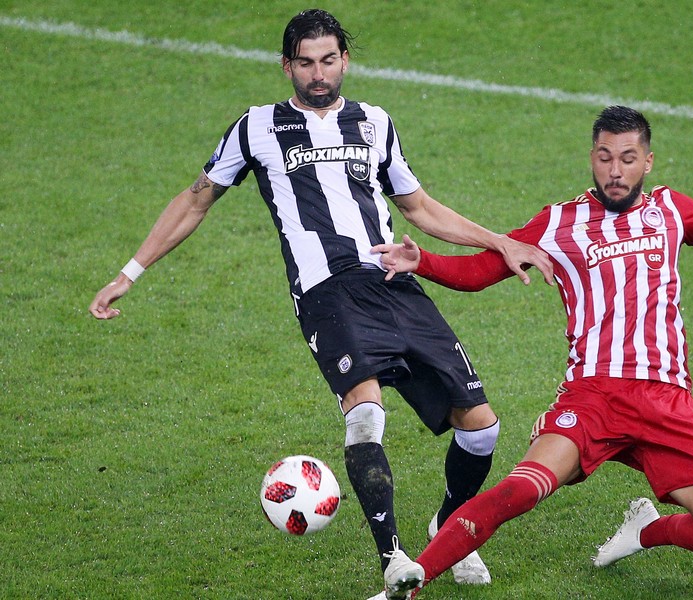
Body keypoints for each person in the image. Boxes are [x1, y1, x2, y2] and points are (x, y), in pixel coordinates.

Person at [88, 9, 553, 598]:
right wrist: (129, 272)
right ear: (286, 66)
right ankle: (393, 558)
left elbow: (418, 206)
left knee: (481, 426)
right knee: (366, 412)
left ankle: (447, 525)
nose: (318, 74)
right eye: (305, 63)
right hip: (325, 292)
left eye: (328, 61)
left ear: (344, 61)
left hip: (393, 281)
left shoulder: (375, 122)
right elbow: (195, 200)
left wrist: (500, 242)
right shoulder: (257, 127)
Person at [373, 105, 693, 598]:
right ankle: (408, 587)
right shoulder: (558, 223)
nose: (615, 171)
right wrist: (424, 262)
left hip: (667, 401)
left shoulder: (672, 210)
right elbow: (482, 271)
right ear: (592, 157)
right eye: (605, 157)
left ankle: (646, 531)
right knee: (521, 489)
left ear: (647, 162)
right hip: (593, 397)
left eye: (628, 159)